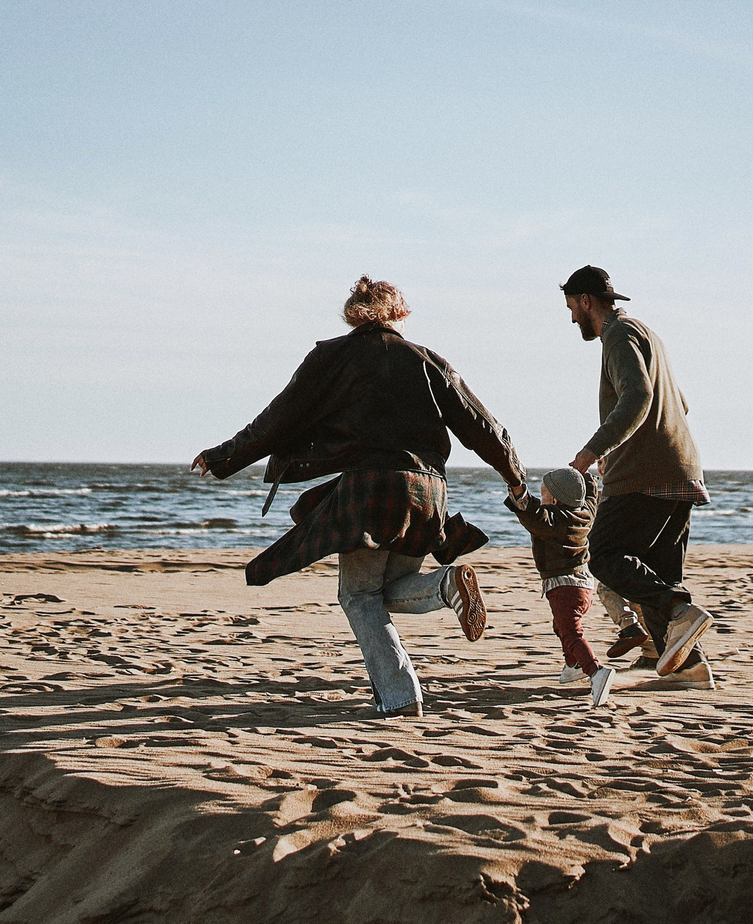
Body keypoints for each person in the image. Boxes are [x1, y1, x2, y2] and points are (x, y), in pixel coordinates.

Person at [194, 276, 525, 719]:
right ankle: (445, 585)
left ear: (354, 314)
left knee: (359, 596)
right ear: (399, 313)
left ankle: (399, 696)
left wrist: (224, 457)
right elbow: (481, 425)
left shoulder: (331, 357)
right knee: (386, 590)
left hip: (370, 490)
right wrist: (515, 476)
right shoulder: (428, 361)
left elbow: (278, 417)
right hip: (428, 493)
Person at [560, 265, 716, 686]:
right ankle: (687, 665)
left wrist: (594, 451)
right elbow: (678, 403)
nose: (572, 316)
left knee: (605, 553)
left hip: (645, 473)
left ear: (586, 300)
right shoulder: (647, 334)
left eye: (572, 306)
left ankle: (680, 609)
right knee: (657, 570)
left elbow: (639, 395)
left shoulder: (618, 335)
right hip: (681, 469)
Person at [504, 467, 617, 707]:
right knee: (561, 626)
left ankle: (595, 672)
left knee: (571, 632)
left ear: (554, 500)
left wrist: (515, 484)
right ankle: (573, 665)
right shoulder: (586, 513)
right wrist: (585, 474)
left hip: (564, 588)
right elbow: (591, 496)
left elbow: (528, 509)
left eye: (543, 494)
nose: (541, 499)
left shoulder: (551, 520)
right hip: (584, 586)